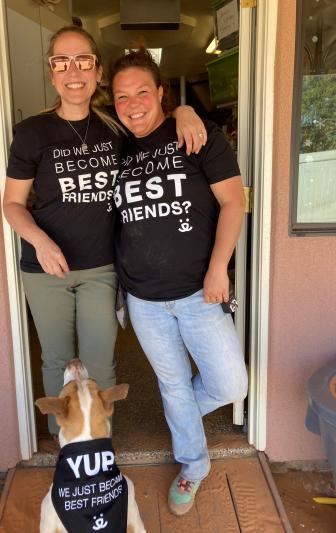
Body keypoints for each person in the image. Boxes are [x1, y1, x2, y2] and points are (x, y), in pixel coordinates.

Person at [3, 26, 207, 440]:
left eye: (83, 61)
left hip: (100, 266)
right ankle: (66, 445)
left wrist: (184, 110)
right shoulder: (31, 133)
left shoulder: (116, 126)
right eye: (62, 61)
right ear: (51, 71)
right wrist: (40, 241)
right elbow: (11, 204)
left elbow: (155, 121)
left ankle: (99, 441)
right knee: (56, 359)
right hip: (45, 269)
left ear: (97, 72)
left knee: (100, 361)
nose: (72, 71)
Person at [109, 48, 248, 516]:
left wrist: (217, 270)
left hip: (198, 292)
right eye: (122, 96)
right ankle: (193, 465)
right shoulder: (116, 147)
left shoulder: (195, 133)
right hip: (144, 299)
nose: (133, 104)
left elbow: (233, 203)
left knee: (231, 385)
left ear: (162, 93)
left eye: (142, 92)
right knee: (172, 387)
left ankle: (182, 417)